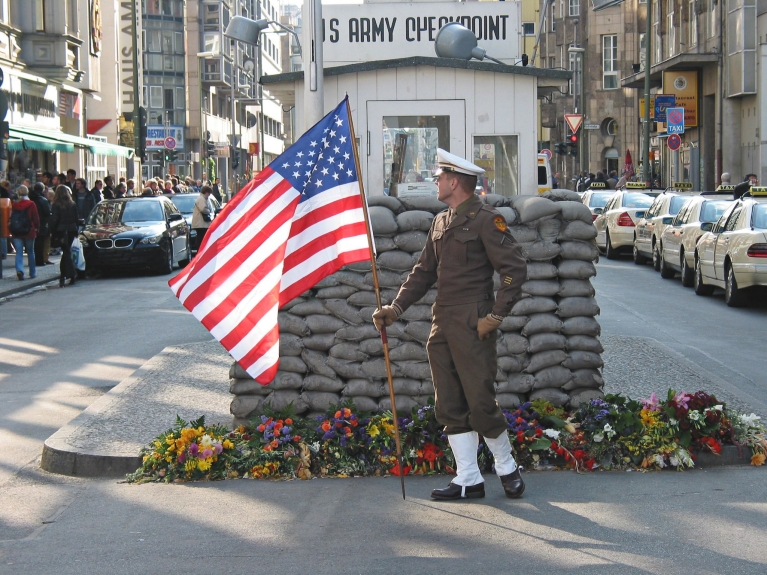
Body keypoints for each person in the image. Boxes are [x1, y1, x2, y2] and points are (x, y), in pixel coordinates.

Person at [372, 148, 528, 501]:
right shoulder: (441, 221)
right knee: (449, 404)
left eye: (440, 177)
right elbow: (424, 272)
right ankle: (468, 479)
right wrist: (395, 308)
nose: (436, 182)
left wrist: (494, 317)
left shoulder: (487, 220)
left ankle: (507, 468)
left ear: (455, 182)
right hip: (442, 322)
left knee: (480, 401)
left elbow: (514, 271)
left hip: (474, 322)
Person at [50, 185, 79, 287]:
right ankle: (69, 275)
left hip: (61, 230)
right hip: (71, 230)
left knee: (66, 252)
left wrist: (52, 231)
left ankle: (66, 275)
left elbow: (54, 219)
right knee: (67, 252)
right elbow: (76, 218)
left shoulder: (56, 205)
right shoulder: (72, 204)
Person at [9, 185, 40, 280]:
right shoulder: (31, 204)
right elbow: (35, 218)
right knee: (30, 252)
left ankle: (20, 270)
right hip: (29, 231)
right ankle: (32, 272)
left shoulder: (14, 204)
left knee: (19, 252)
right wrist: (37, 228)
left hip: (17, 231)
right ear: (27, 193)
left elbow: (11, 217)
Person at [29, 183, 52, 266]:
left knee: (32, 245)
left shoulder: (30, 198)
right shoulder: (42, 200)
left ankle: (32, 261)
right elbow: (47, 213)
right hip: (41, 224)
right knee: (40, 244)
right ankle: (40, 261)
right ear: (42, 190)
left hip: (30, 224)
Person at [192, 185, 214, 251]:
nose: (209, 195)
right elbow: (203, 209)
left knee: (200, 238)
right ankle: (200, 251)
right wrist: (209, 211)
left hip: (200, 223)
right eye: (209, 193)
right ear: (206, 192)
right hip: (201, 223)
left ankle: (200, 250)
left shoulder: (202, 198)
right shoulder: (202, 199)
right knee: (201, 238)